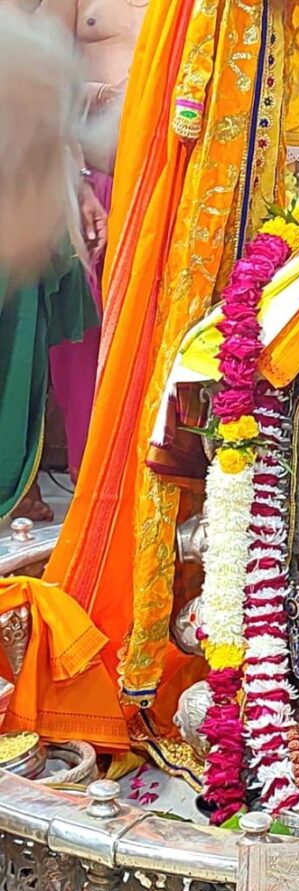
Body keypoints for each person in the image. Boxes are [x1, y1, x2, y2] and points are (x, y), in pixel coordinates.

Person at [0, 4, 105, 522]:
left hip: (24, 191)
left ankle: (16, 485)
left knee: (24, 340)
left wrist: (75, 182)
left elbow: (50, 108)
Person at [40, 0, 148, 486]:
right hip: (93, 181)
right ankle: (93, 491)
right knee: (84, 343)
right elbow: (38, 74)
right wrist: (106, 94)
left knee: (149, 344)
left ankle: (149, 489)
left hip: (167, 188)